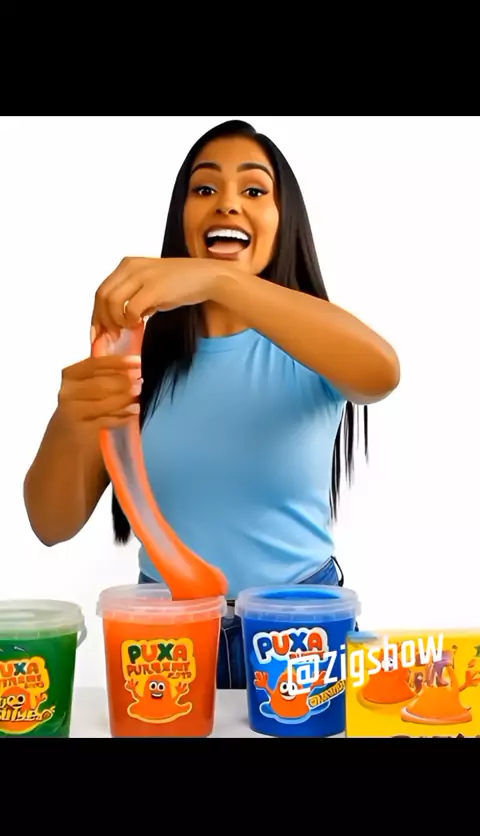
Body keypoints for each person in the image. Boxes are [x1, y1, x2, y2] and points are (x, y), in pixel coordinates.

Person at [24, 119, 400, 689]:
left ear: (284, 219)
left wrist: (219, 282)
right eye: (204, 188)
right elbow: (50, 524)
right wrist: (71, 421)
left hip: (299, 629)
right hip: (166, 633)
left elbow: (382, 374)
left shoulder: (313, 342)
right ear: (181, 217)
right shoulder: (134, 357)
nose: (226, 204)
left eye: (253, 190)